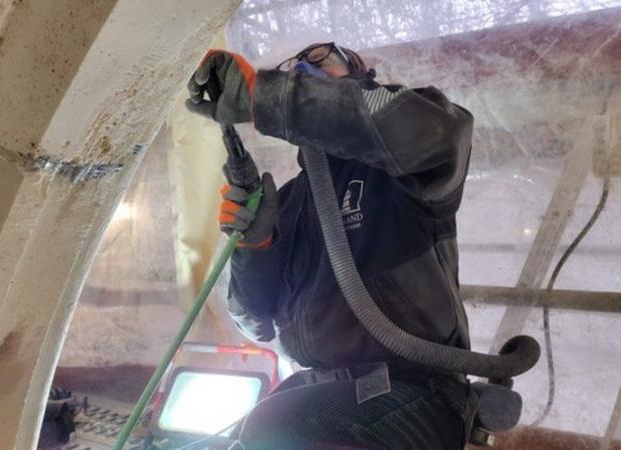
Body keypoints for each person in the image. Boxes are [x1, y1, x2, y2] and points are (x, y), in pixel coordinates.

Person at [186, 43, 475, 450]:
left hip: (415, 392)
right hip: (320, 394)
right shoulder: (287, 203)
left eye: (322, 58)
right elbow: (254, 322)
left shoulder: (406, 162)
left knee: (280, 427)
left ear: (361, 71)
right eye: (288, 68)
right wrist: (256, 247)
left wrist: (267, 94)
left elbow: (435, 134)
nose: (302, 69)